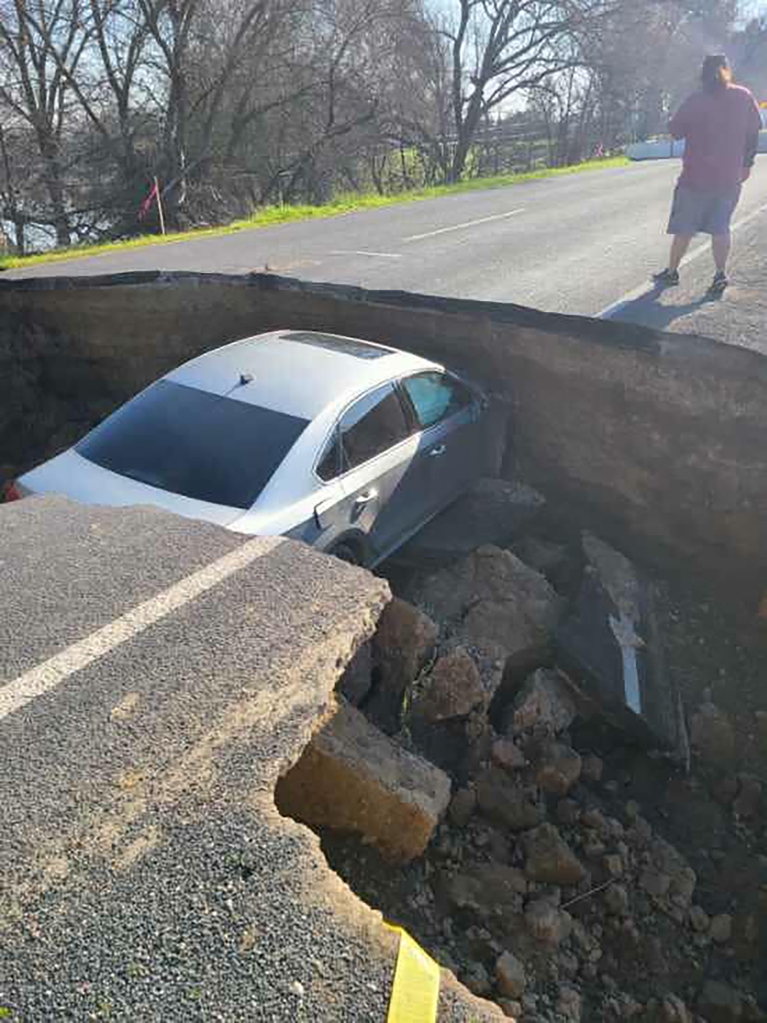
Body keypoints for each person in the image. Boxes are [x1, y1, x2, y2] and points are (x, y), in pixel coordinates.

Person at [653, 54, 761, 295]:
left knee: (685, 227)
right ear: (727, 70)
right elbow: (754, 131)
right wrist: (747, 163)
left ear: (702, 74)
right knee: (720, 227)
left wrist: (670, 116)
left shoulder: (695, 100)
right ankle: (720, 274)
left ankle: (672, 272)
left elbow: (675, 132)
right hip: (729, 176)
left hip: (695, 177)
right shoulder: (743, 96)